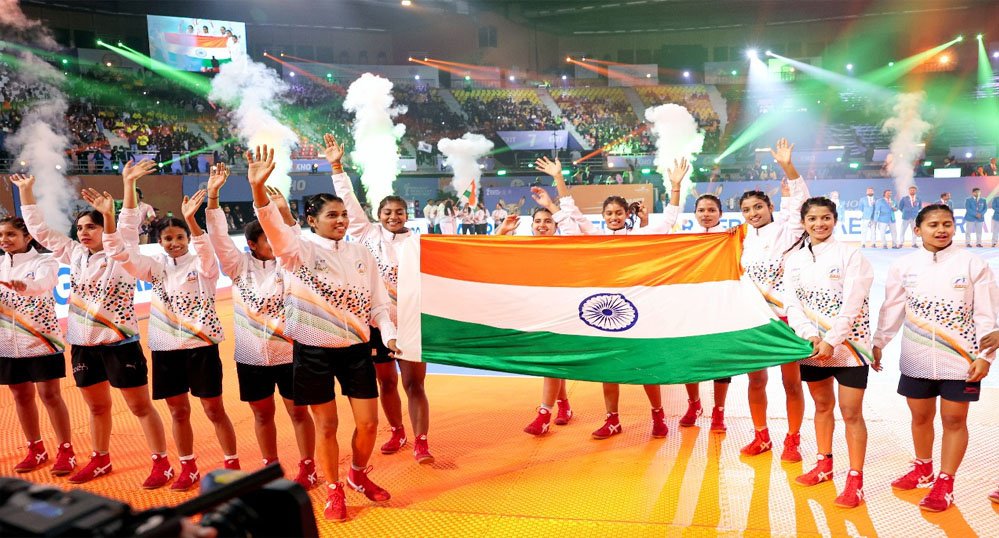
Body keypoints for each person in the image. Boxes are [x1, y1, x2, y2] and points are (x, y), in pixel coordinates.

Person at [248, 145, 400, 522]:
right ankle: (334, 489)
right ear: (312, 221)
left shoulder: (361, 254)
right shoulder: (297, 252)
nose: (341, 220)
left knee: (369, 424)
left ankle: (357, 475)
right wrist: (257, 190)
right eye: (332, 215)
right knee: (327, 425)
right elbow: (274, 228)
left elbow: (379, 304)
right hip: (313, 351)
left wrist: (390, 334)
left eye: (344, 214)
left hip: (356, 350)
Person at [12, 163, 173, 489]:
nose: (83, 232)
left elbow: (128, 222)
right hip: (83, 344)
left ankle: (162, 463)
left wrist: (128, 185)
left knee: (140, 407)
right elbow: (41, 232)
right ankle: (101, 458)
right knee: (97, 407)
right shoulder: (73, 253)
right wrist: (26, 194)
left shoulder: (123, 252)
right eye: (80, 227)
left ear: (105, 229)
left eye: (91, 227)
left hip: (119, 343)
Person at [541, 155, 685, 440]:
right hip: (607, 313)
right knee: (608, 369)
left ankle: (658, 417)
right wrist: (558, 178)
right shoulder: (595, 235)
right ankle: (613, 420)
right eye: (609, 214)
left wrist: (675, 186)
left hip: (640, 312)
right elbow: (570, 210)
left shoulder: (641, 236)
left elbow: (669, 219)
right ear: (603, 216)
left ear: (626, 214)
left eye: (619, 213)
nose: (614, 217)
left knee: (647, 368)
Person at [105, 185, 238, 492]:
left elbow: (207, 252)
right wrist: (110, 219)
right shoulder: (154, 268)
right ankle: (188, 467)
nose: (175, 243)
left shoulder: (203, 266)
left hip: (201, 347)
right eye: (168, 238)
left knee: (214, 410)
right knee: (178, 412)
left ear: (188, 239)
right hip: (165, 349)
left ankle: (232, 465)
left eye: (180, 237)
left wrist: (192, 220)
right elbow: (120, 254)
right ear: (160, 241)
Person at [873, 204, 997, 512]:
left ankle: (945, 482)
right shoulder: (903, 266)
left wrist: (985, 356)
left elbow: (987, 314)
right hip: (915, 358)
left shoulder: (973, 264)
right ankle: (923, 468)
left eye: (947, 224)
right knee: (920, 418)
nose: (941, 230)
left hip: (961, 360)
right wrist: (878, 343)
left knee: (954, 420)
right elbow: (892, 309)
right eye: (933, 225)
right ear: (917, 230)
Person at [204, 163, 318, 489]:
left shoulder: (289, 264)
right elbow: (219, 238)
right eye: (268, 238)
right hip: (251, 357)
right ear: (252, 244)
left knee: (299, 413)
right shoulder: (237, 266)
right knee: (262, 415)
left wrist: (286, 215)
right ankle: (271, 467)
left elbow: (296, 241)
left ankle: (308, 466)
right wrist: (213, 198)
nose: (275, 242)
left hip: (292, 354)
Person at [324, 133, 434, 465]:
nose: (393, 217)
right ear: (379, 214)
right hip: (375, 324)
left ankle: (421, 442)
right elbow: (348, 199)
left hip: (411, 324)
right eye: (387, 212)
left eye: (399, 212)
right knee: (386, 382)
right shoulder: (367, 233)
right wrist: (337, 167)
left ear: (407, 214)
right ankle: (397, 431)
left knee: (414, 385)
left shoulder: (419, 244)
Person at [783, 197, 875, 509]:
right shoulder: (795, 260)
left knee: (851, 413)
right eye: (812, 219)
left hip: (850, 348)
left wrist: (832, 340)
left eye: (825, 218)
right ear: (804, 223)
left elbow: (853, 304)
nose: (819, 224)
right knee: (822, 406)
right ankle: (824, 465)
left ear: (835, 220)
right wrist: (809, 336)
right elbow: (792, 304)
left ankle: (855, 480)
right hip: (811, 347)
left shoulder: (851, 255)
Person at [732, 138, 809, 460]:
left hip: (786, 320)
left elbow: (801, 201)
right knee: (756, 381)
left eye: (758, 207)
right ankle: (761, 436)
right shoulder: (741, 239)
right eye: (746, 210)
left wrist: (788, 168)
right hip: (755, 320)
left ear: (770, 207)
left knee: (792, 384)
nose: (753, 214)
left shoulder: (788, 231)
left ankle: (793, 440)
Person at [0, 214, 75, 477]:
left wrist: (25, 286)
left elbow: (44, 283)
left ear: (28, 236)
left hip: (42, 341)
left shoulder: (46, 263)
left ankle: (66, 450)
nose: (4, 239)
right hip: (7, 343)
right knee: (20, 396)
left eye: (11, 234)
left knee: (50, 395)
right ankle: (36, 449)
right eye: (1, 235)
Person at [497, 196, 574, 435]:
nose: (542, 225)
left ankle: (544, 414)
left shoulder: (567, 247)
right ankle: (564, 405)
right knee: (552, 362)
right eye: (538, 221)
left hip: (562, 313)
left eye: (547, 221)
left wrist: (554, 204)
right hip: (535, 313)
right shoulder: (525, 247)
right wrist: (503, 230)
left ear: (556, 226)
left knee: (551, 361)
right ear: (531, 225)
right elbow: (491, 253)